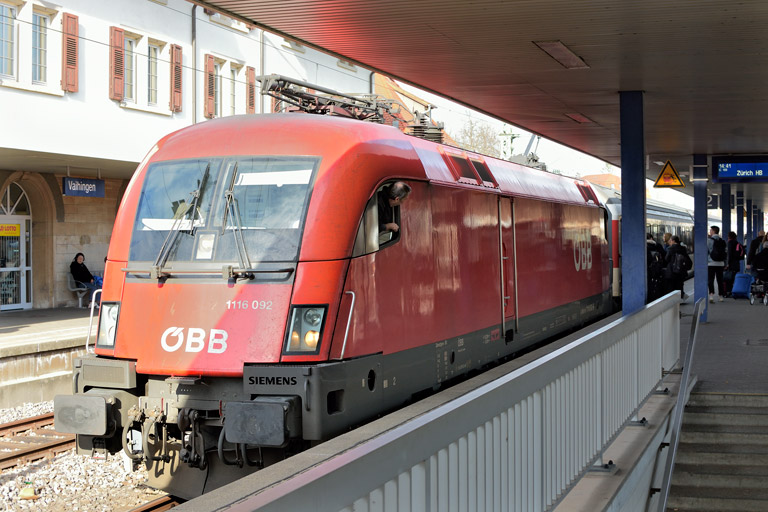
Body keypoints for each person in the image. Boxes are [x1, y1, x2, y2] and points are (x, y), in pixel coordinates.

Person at [707, 226, 727, 303]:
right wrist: (725, 263)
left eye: (710, 230)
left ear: (713, 231)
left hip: (711, 263)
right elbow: (725, 253)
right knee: (720, 280)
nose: (710, 232)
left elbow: (706, 251)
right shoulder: (723, 241)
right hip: (720, 264)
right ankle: (721, 296)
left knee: (710, 280)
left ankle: (711, 295)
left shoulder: (709, 241)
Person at [723, 231, 744, 297]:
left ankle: (728, 292)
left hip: (731, 264)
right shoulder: (737, 243)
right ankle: (730, 291)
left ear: (729, 237)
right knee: (732, 278)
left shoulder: (730, 243)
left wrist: (727, 264)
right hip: (736, 264)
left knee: (728, 279)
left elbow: (729, 254)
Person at [646, 234, 666, 302]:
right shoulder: (657, 246)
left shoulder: (643, 247)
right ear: (651, 238)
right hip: (656, 270)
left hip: (647, 271)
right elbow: (664, 256)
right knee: (655, 286)